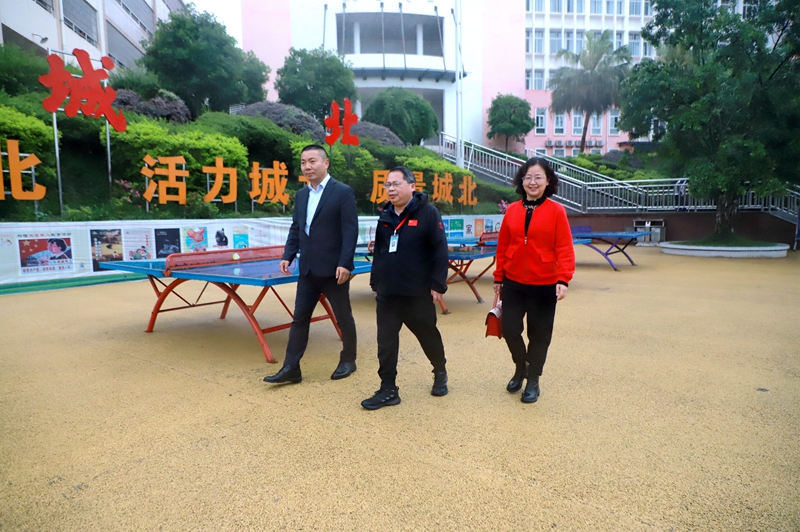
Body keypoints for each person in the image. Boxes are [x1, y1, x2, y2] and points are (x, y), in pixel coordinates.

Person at [263, 144, 359, 384]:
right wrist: (288, 254)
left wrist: (345, 263)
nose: (307, 166)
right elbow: (297, 228)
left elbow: (350, 230)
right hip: (307, 269)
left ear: (326, 163)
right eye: (303, 162)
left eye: (312, 161)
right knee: (299, 318)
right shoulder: (302, 195)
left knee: (343, 316)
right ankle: (291, 367)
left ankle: (348, 360)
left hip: (334, 270)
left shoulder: (342, 192)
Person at [361, 166, 450, 410]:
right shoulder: (385, 215)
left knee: (427, 335)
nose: (390, 189)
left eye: (396, 184)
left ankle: (440, 370)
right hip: (388, 293)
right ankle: (388, 388)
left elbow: (440, 250)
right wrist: (375, 282)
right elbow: (380, 252)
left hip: (417, 292)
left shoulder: (428, 213)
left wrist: (438, 284)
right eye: (387, 185)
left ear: (412, 186)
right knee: (386, 342)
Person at [493, 157, 575, 404]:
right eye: (527, 177)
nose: (532, 182)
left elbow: (564, 248)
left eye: (538, 177)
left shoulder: (556, 211)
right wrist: (499, 276)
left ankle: (533, 380)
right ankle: (521, 367)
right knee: (509, 329)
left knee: (539, 334)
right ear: (521, 181)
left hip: (545, 283)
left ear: (548, 181)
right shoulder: (512, 210)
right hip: (514, 282)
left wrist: (563, 279)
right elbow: (503, 245)